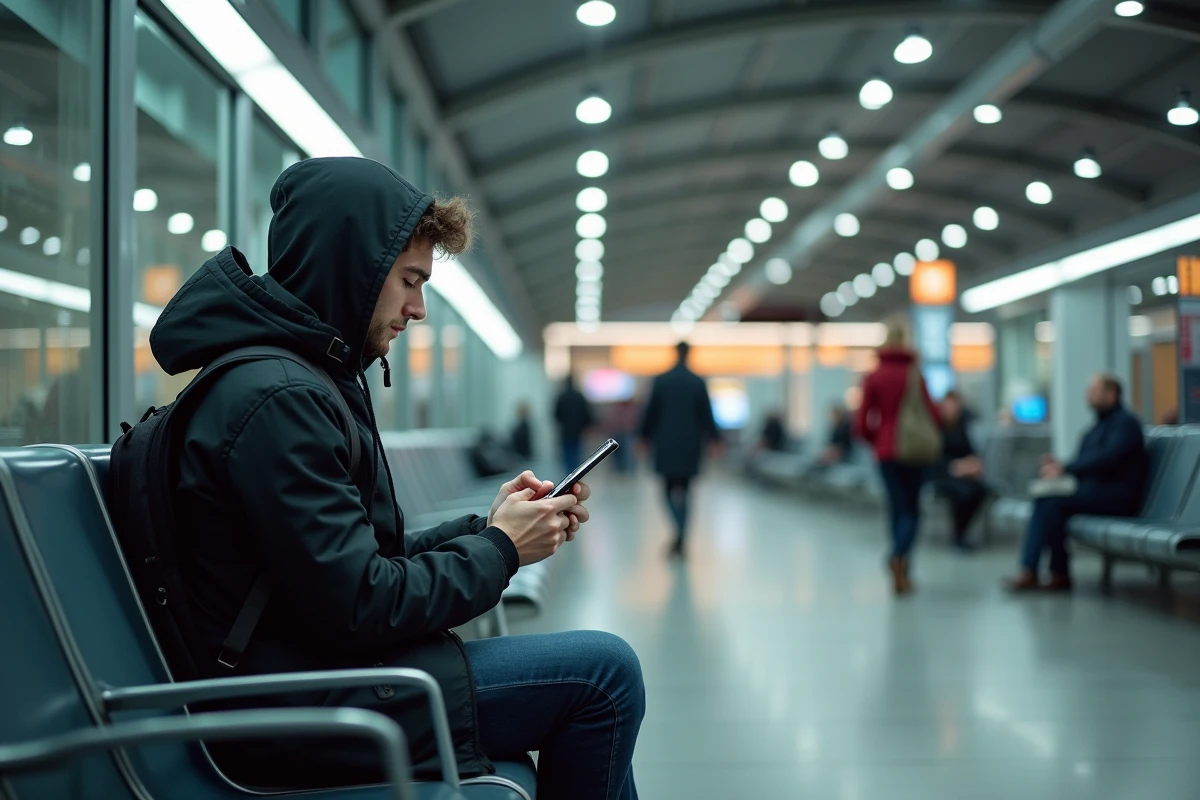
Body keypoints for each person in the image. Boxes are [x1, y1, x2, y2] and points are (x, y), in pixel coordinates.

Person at [148, 158, 644, 799]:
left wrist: (490, 527)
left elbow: (358, 566)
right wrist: (501, 549)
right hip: (297, 705)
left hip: (321, 673)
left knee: (597, 675)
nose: (419, 308)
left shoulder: (295, 381)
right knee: (605, 675)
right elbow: (362, 604)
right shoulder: (279, 399)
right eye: (410, 281)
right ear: (352, 270)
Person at [1006, 373, 1147, 592]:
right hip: (1095, 493)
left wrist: (1065, 468)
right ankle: (1034, 570)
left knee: (1052, 503)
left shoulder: (1126, 424)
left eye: (1094, 391)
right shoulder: (1096, 429)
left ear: (1111, 394)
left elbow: (1108, 459)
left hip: (1117, 497)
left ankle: (1056, 571)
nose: (1088, 395)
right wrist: (1059, 468)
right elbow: (1085, 463)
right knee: (1045, 499)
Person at [856, 322, 940, 594]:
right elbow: (933, 414)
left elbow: (861, 422)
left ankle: (900, 566)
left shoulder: (874, 376)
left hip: (886, 451)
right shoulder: (915, 375)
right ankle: (900, 558)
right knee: (912, 510)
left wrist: (876, 440)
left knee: (896, 508)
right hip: (914, 450)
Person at [639, 341, 721, 558]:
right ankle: (682, 536)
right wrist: (715, 440)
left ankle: (679, 533)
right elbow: (707, 415)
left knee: (667, 490)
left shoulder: (661, 380)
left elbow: (651, 413)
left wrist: (643, 438)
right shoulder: (697, 381)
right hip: (690, 444)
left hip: (665, 442)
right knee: (686, 491)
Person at [929, 390, 987, 551]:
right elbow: (933, 459)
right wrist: (955, 466)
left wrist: (973, 464)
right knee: (963, 492)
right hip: (941, 475)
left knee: (981, 490)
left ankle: (963, 531)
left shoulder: (962, 426)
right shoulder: (935, 427)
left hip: (963, 474)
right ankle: (958, 536)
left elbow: (970, 451)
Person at [553, 374, 593, 475]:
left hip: (565, 431)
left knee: (567, 455)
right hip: (577, 431)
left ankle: (568, 474)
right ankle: (575, 474)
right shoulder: (579, 396)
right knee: (576, 454)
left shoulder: (561, 397)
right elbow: (586, 413)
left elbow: (556, 415)